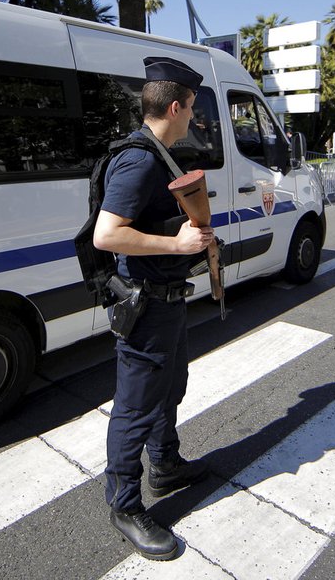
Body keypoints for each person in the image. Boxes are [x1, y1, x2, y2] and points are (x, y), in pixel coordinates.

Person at [92, 56, 215, 561]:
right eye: (190, 108)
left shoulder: (160, 153)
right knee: (135, 407)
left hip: (167, 302)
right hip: (145, 307)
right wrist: (179, 248)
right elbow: (108, 234)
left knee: (170, 388)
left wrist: (193, 238)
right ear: (173, 105)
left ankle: (164, 466)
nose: (194, 117)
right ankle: (124, 505)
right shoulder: (140, 159)